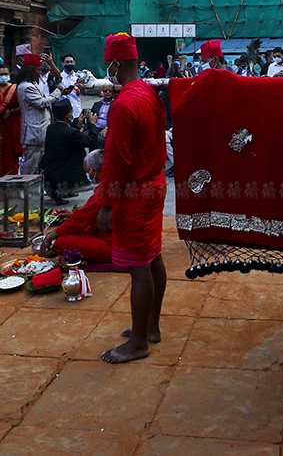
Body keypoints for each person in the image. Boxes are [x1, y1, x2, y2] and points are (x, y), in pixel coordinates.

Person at [96, 33, 168, 364]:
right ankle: (150, 327)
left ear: (113, 64)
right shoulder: (149, 94)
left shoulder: (124, 104)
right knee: (152, 257)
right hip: (154, 184)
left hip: (135, 191)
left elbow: (115, 161)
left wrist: (106, 203)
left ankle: (138, 342)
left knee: (138, 266)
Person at [47, 148, 114, 263]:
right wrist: (73, 214)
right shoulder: (113, 184)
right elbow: (88, 215)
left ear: (94, 171)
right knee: (75, 230)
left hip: (113, 246)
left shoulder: (104, 191)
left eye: (88, 172)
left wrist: (49, 237)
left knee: (62, 240)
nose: (87, 175)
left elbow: (81, 219)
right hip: (112, 237)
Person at [40, 98, 102, 203]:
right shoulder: (71, 133)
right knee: (79, 150)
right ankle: (62, 189)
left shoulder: (51, 128)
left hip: (48, 170)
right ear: (69, 116)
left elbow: (65, 135)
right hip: (61, 173)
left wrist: (76, 126)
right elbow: (91, 141)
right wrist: (93, 124)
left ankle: (62, 190)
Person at [17, 53, 64, 174]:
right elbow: (42, 103)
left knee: (37, 165)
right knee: (30, 167)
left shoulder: (33, 84)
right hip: (33, 132)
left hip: (38, 131)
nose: (39, 72)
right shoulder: (27, 87)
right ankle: (25, 190)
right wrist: (58, 92)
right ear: (30, 70)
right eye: (37, 70)